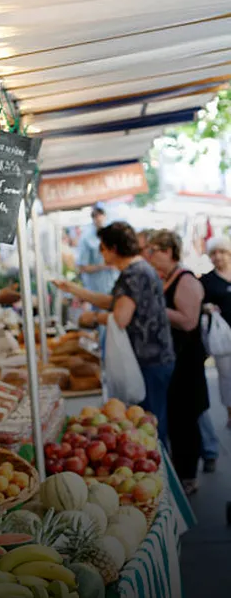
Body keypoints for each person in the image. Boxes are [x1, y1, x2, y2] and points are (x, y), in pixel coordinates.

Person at [54, 222, 175, 445]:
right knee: (153, 422)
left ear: (113, 248)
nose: (100, 253)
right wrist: (74, 289)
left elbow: (120, 316)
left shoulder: (133, 274)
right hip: (155, 358)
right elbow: (115, 302)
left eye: (102, 247)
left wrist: (92, 318)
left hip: (149, 361)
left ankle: (161, 475)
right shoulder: (138, 270)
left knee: (149, 426)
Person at [149, 230, 209, 495]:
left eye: (154, 251)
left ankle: (189, 476)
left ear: (168, 251)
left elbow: (188, 321)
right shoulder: (168, 278)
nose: (150, 256)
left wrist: (154, 308)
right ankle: (181, 468)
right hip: (175, 358)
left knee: (186, 417)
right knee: (176, 416)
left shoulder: (185, 280)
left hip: (187, 360)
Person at [76, 205, 118, 354]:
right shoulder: (87, 238)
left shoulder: (111, 235)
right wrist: (104, 266)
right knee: (102, 325)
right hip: (97, 289)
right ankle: (104, 353)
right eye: (96, 216)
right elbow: (82, 266)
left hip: (112, 289)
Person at [201, 235, 231, 427]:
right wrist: (207, 307)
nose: (218, 257)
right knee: (227, 377)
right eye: (214, 253)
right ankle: (230, 413)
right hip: (223, 338)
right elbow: (199, 303)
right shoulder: (207, 280)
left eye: (222, 252)